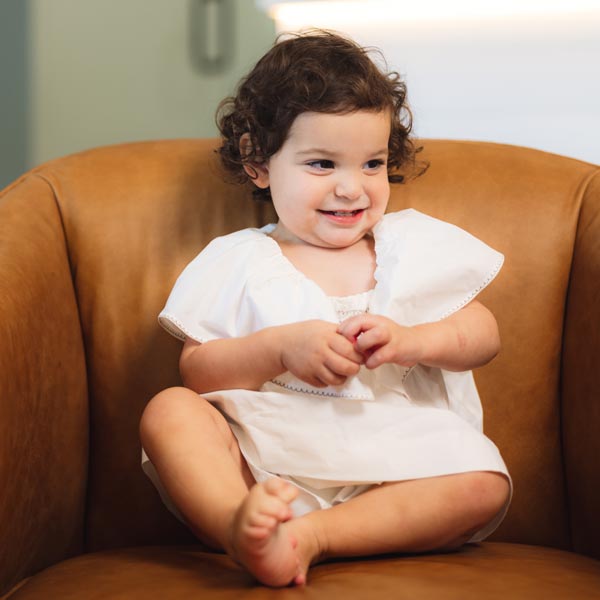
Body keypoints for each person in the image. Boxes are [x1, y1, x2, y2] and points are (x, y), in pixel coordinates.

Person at [140, 30, 511, 587]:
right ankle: (237, 525)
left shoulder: (411, 247)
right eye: (321, 164)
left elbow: (483, 334)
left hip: (395, 459)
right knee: (168, 411)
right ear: (258, 162)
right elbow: (196, 372)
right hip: (266, 459)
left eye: (372, 164)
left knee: (486, 481)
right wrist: (279, 348)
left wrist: (412, 341)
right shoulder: (239, 259)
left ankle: (312, 536)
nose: (351, 188)